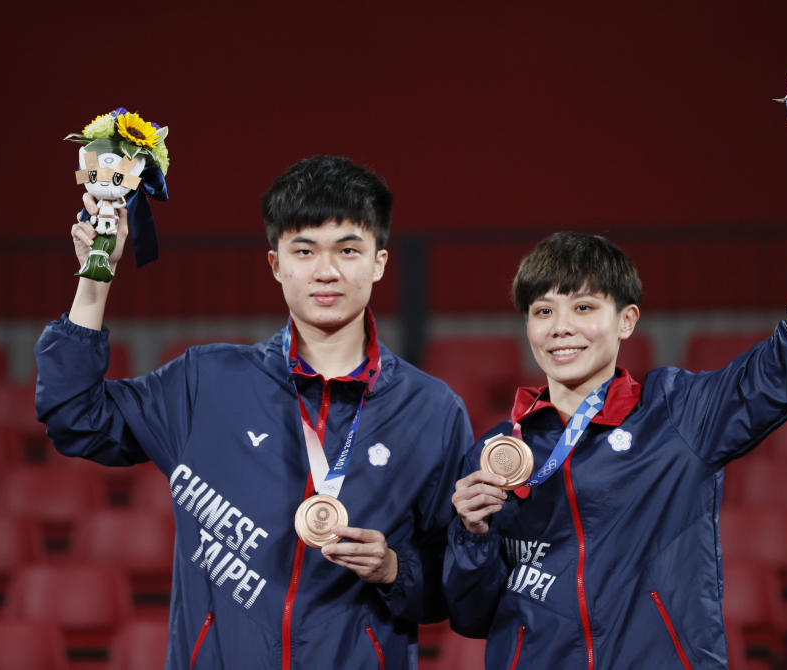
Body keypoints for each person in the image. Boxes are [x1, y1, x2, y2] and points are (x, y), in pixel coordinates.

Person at [443, 128, 787, 669]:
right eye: (543, 311)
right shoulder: (499, 451)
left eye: (583, 308)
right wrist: (472, 534)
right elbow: (471, 615)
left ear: (626, 321)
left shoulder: (678, 414)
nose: (560, 329)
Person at [35, 155, 471, 669]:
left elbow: (461, 590)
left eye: (348, 250)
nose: (326, 271)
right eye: (304, 250)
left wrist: (395, 570)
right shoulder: (206, 381)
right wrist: (95, 278)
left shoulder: (431, 410)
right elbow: (74, 416)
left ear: (378, 261)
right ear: (276, 265)